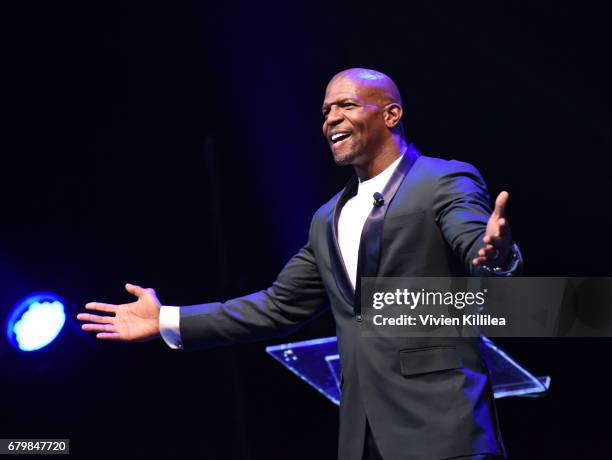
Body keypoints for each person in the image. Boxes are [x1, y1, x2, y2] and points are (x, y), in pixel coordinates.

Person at [78, 68, 522, 460]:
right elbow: (276, 307)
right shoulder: (327, 218)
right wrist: (168, 320)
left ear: (391, 115)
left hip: (443, 427)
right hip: (362, 434)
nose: (330, 119)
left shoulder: (442, 178)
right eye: (326, 111)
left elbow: (476, 245)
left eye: (346, 105)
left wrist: (495, 253)